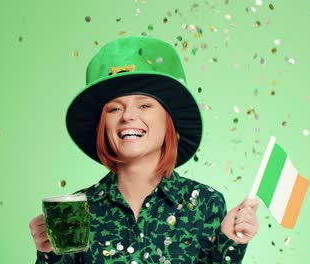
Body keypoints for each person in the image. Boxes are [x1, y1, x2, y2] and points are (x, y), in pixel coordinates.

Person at [29, 36, 259, 263]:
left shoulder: (206, 203)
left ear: (169, 121)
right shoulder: (76, 212)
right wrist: (48, 253)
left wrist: (230, 243)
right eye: (114, 109)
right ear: (102, 127)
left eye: (145, 105)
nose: (128, 116)